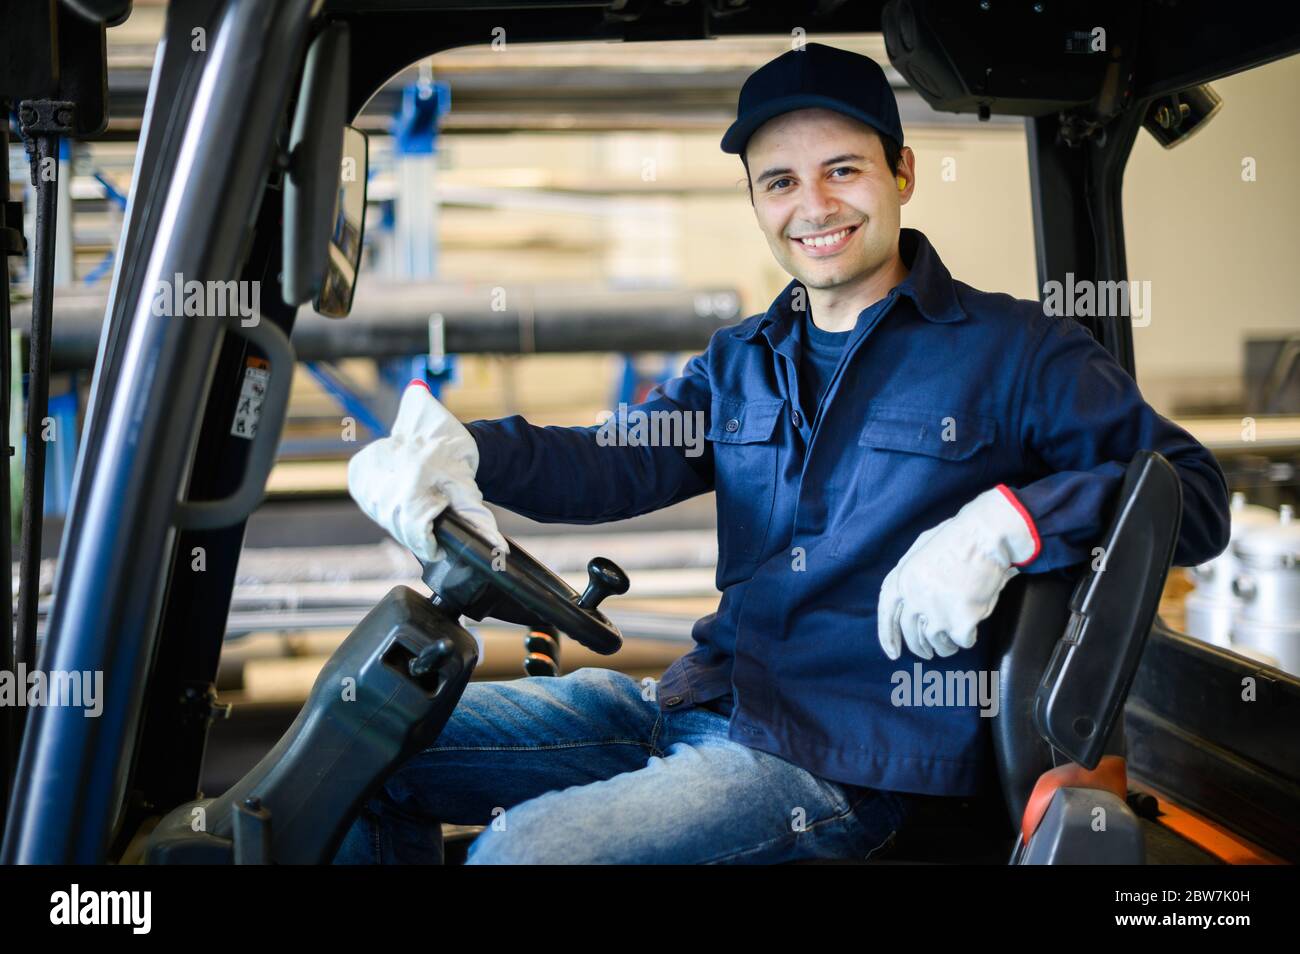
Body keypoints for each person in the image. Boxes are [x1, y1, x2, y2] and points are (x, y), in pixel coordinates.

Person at [334, 43, 1230, 864]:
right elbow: (612, 459)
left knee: (527, 855)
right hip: (695, 709)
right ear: (757, 200)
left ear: (902, 171)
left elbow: (1193, 495)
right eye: (781, 182)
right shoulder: (742, 361)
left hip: (842, 769)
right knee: (354, 743)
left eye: (843, 170)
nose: (815, 206)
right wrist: (465, 450)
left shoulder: (1016, 352)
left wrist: (1014, 524)